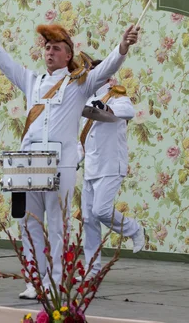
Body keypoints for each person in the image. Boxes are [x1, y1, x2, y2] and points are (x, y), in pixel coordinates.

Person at [0, 10, 139, 299]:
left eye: (56, 48)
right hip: (29, 163)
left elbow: (107, 67)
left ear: (68, 54)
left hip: (60, 164)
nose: (50, 52)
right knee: (28, 222)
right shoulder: (32, 81)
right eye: (47, 47)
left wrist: (123, 46)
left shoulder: (79, 83)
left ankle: (53, 283)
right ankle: (34, 280)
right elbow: (3, 61)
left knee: (58, 226)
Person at [78, 55, 144, 277]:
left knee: (101, 210)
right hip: (91, 168)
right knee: (89, 220)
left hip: (110, 165)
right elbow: (83, 138)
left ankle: (134, 229)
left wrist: (106, 107)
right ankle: (92, 269)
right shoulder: (86, 99)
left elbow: (128, 112)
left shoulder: (117, 95)